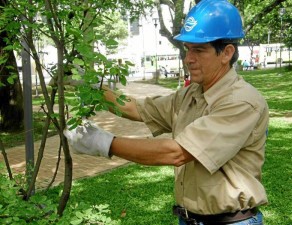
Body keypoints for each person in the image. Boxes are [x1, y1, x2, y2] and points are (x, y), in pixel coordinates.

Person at [64, 0, 269, 224]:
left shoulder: (241, 102)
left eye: (199, 50)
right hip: (190, 219)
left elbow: (177, 153)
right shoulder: (191, 94)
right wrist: (90, 86)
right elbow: (138, 109)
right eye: (188, 49)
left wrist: (103, 143)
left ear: (226, 53)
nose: (188, 59)